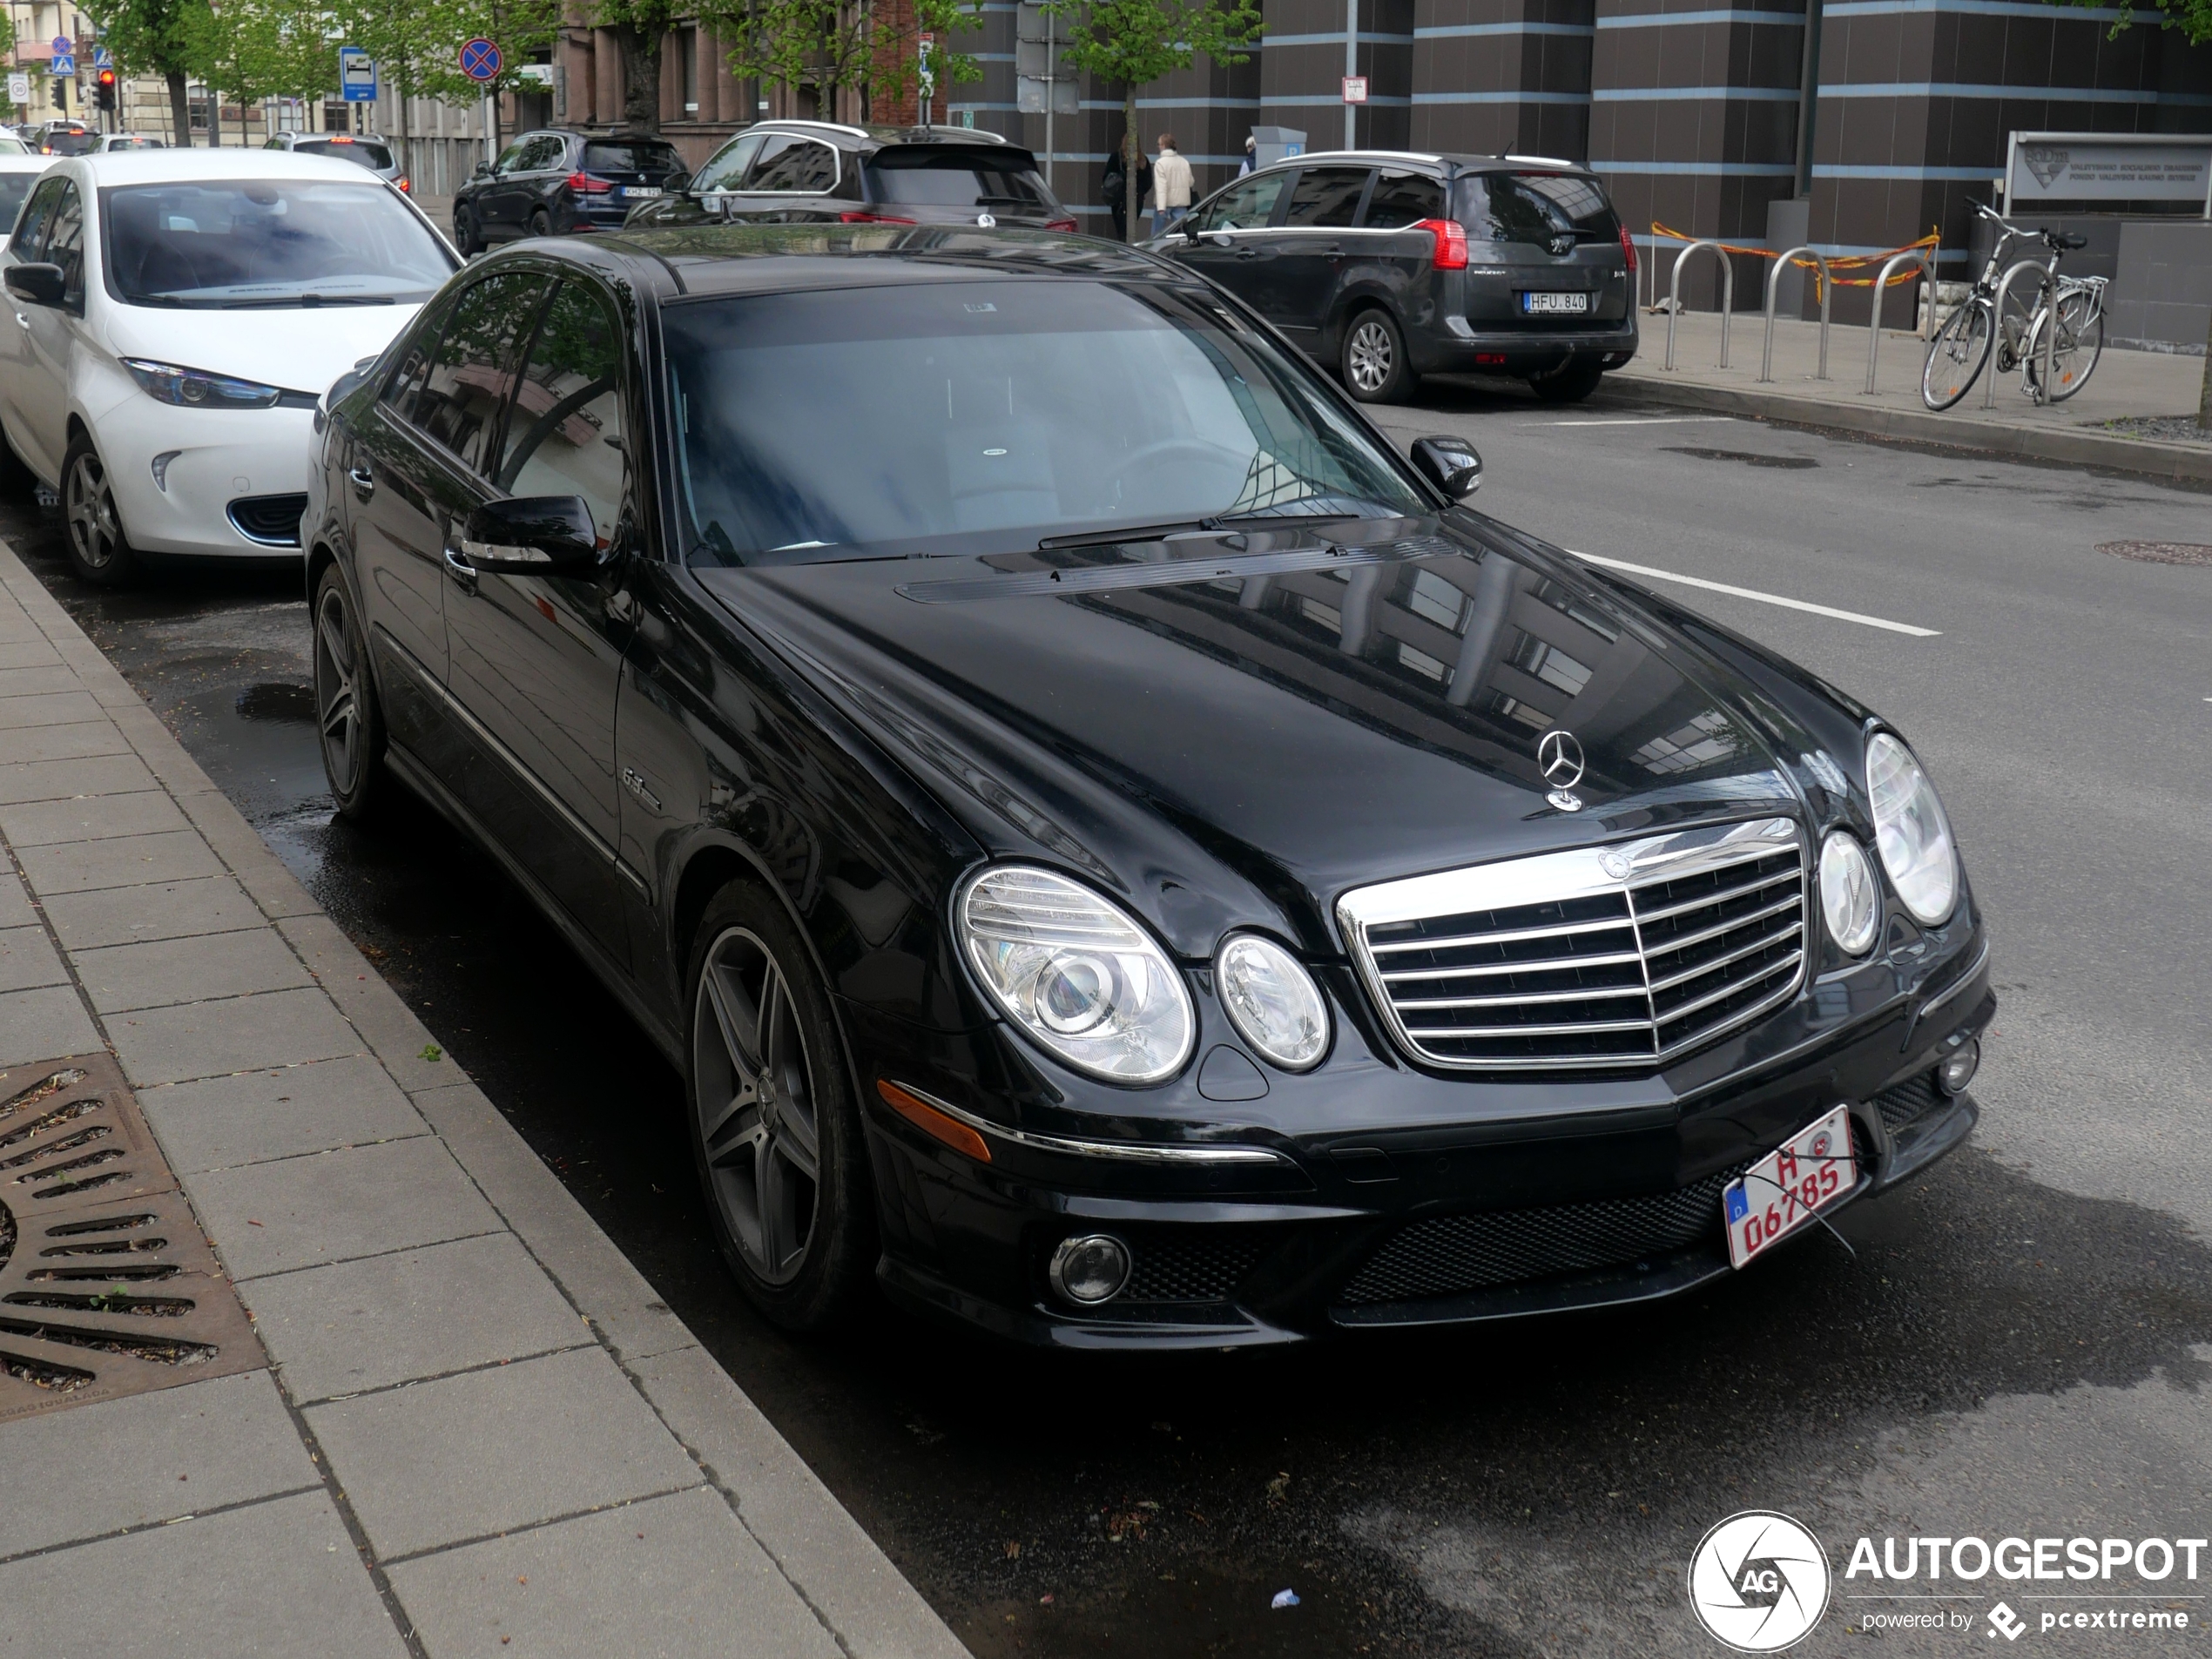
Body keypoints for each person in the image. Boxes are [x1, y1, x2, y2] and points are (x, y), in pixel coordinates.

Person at [1102, 143, 1151, 241]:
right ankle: (1128, 246)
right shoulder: (1142, 160)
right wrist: (1141, 192)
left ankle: (1124, 248)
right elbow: (1148, 182)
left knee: (1121, 229)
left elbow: (1106, 177)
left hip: (1118, 199)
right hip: (1137, 199)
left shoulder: (1116, 157)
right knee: (1130, 228)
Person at [1152, 133, 1194, 239]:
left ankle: (1153, 252)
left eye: (1158, 144)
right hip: (1181, 202)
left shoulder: (1160, 163)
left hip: (1165, 203)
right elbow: (1191, 182)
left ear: (1163, 146)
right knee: (1182, 234)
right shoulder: (1184, 162)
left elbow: (1161, 187)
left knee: (1156, 235)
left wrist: (1161, 207)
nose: (1158, 147)